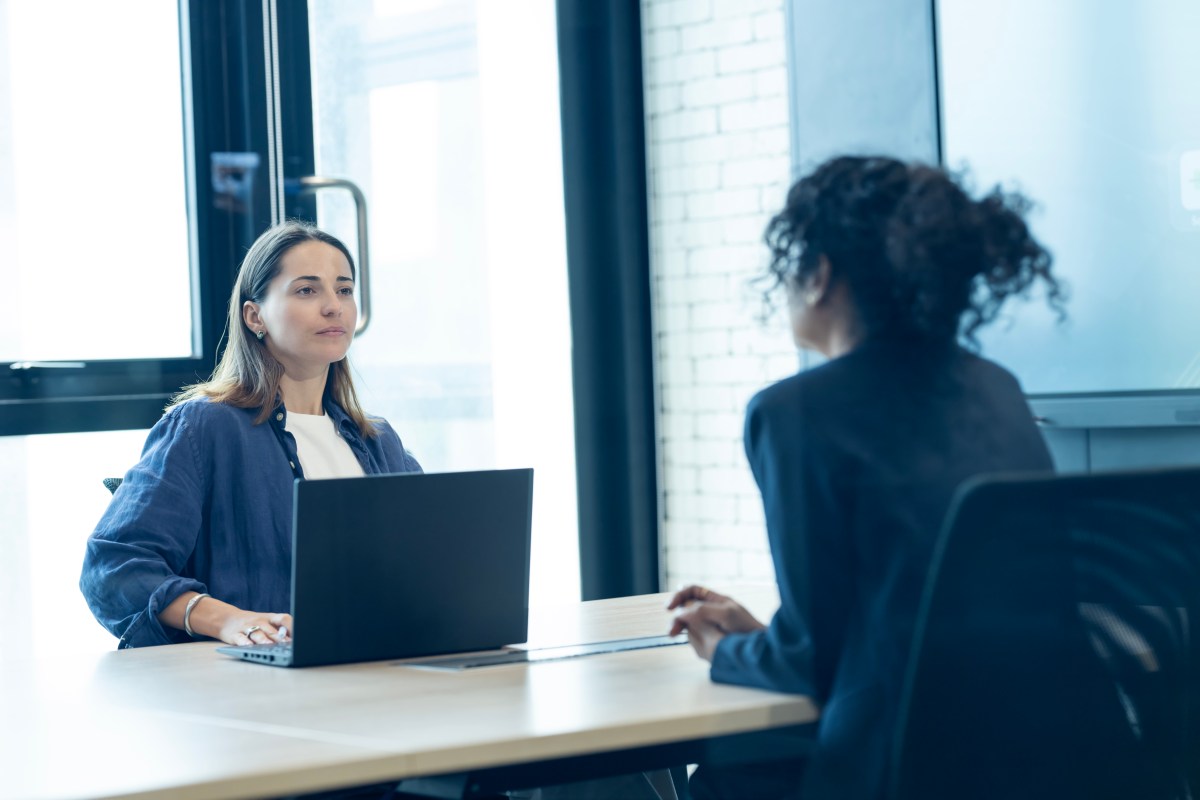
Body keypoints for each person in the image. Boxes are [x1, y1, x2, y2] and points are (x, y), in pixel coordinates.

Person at [667, 156, 1065, 800]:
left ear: (820, 275)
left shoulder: (793, 413)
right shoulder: (996, 389)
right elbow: (912, 624)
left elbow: (809, 664)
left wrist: (725, 650)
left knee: (726, 775)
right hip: (1047, 757)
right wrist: (771, 637)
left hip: (897, 769)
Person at [81, 221, 421, 649]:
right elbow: (114, 567)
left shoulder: (379, 442)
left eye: (345, 290)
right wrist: (228, 621)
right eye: (306, 290)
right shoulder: (204, 427)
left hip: (374, 665)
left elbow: (423, 565)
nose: (334, 306)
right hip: (253, 687)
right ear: (254, 315)